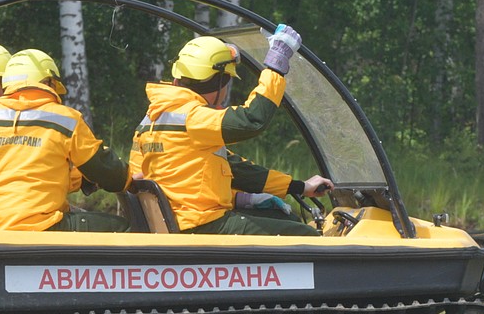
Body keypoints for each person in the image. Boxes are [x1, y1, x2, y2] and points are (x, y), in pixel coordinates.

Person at [132, 26, 333, 235]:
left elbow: (234, 170)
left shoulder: (151, 120)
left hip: (180, 220)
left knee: (281, 217)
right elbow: (252, 120)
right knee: (306, 235)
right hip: (201, 223)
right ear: (220, 82)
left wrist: (298, 187)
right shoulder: (194, 118)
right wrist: (276, 67)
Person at [0, 48, 130, 232]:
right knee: (124, 228)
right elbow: (105, 172)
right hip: (43, 228)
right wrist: (128, 179)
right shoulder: (66, 120)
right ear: (48, 82)